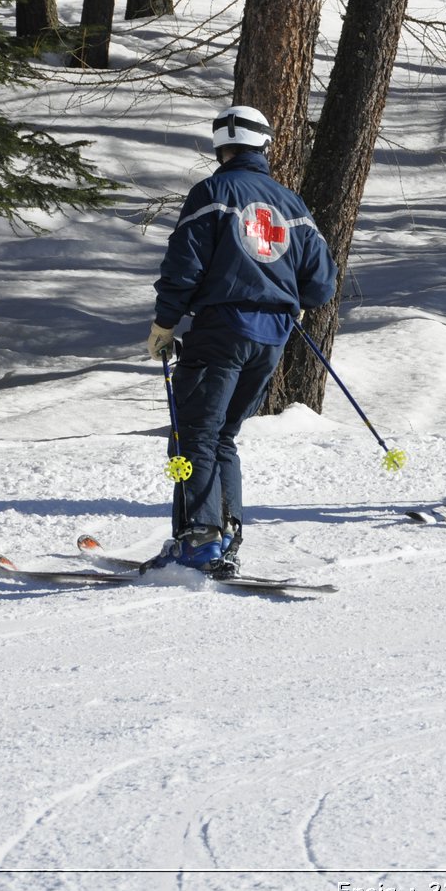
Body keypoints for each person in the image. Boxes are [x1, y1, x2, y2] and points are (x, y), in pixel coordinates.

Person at [146, 105, 338, 574]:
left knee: (195, 435)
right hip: (273, 337)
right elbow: (321, 284)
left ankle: (199, 540)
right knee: (222, 436)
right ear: (266, 145)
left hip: (220, 331)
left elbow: (184, 265)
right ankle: (224, 531)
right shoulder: (291, 204)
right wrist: (285, 293)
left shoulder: (212, 192)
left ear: (220, 146)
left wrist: (166, 322)